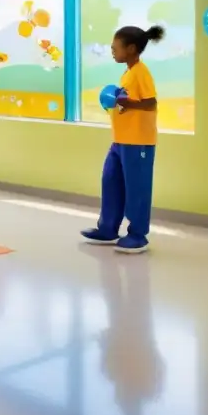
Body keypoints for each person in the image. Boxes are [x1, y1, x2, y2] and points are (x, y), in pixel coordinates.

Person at [81, 25, 165, 254]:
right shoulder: (128, 73)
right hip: (121, 140)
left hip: (138, 142)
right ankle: (108, 228)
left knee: (137, 188)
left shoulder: (141, 71)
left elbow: (150, 102)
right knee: (111, 181)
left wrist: (126, 103)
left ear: (130, 49)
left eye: (114, 48)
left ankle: (138, 235)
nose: (112, 51)